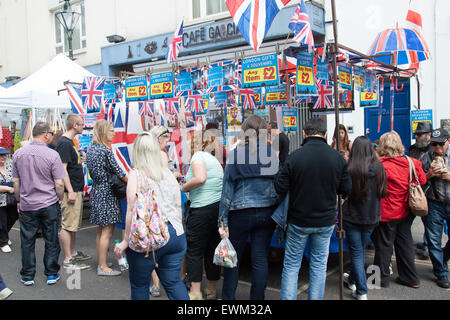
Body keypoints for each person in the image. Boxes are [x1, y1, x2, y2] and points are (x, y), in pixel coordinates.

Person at [275, 118, 352, 300]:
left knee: (292, 265)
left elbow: (280, 187)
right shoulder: (337, 158)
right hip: (325, 221)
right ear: (325, 135)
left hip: (298, 220)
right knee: (318, 266)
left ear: (304, 134)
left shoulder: (295, 157)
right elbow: (346, 189)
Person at [114, 132, 189, 300]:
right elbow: (179, 206)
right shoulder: (169, 174)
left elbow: (131, 210)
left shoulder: (136, 174)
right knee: (173, 282)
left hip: (149, 238)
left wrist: (126, 240)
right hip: (176, 234)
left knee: (140, 285)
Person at [218, 115, 279, 300]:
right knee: (260, 258)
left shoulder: (236, 155)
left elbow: (227, 191)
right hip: (266, 213)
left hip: (239, 214)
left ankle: (229, 299)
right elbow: (279, 187)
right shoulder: (271, 155)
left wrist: (222, 221)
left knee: (232, 259)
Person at [13, 122, 66, 286]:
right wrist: (59, 198)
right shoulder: (52, 155)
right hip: (48, 202)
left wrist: (18, 200)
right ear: (45, 134)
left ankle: (28, 275)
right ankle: (51, 273)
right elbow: (59, 183)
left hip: (28, 203)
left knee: (27, 240)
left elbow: (16, 181)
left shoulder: (18, 154)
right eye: (51, 133)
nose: (52, 136)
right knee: (51, 239)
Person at [372, 131, 426, 289]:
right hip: (406, 211)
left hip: (386, 212)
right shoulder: (412, 162)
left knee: (383, 246)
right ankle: (411, 278)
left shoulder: (380, 166)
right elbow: (422, 180)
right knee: (405, 243)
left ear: (382, 146)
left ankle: (380, 280)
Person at [342, 136, 387, 300]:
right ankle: (352, 279)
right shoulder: (379, 167)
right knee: (359, 250)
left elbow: (343, 192)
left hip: (353, 217)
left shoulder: (351, 169)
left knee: (357, 253)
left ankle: (361, 290)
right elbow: (384, 192)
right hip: (372, 217)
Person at [182, 130, 224, 300]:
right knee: (212, 251)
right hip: (217, 209)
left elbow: (200, 178)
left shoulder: (198, 156)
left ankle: (195, 293)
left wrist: (183, 187)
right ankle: (211, 292)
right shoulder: (214, 160)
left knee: (195, 252)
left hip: (201, 210)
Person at [86, 119, 127, 277]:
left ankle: (101, 262)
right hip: (107, 193)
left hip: (97, 191)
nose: (114, 133)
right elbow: (120, 173)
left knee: (100, 230)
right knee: (107, 231)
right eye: (111, 130)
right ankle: (102, 266)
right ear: (103, 132)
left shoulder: (91, 149)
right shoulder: (105, 151)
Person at [55, 115, 91, 271]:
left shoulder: (68, 143)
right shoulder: (64, 143)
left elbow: (69, 165)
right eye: (82, 124)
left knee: (73, 225)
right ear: (75, 125)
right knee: (67, 224)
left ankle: (73, 253)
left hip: (75, 189)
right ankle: (68, 258)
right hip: (70, 190)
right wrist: (69, 190)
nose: (84, 127)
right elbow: (62, 170)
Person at [419, 128, 450, 289]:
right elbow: (418, 179)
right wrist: (429, 174)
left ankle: (443, 257)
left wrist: (448, 176)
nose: (437, 148)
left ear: (448, 142)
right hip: (434, 203)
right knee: (433, 239)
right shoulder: (427, 157)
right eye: (433, 145)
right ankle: (441, 272)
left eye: (440, 145)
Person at [408, 121, 433, 260]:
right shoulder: (413, 149)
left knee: (428, 221)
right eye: (416, 134)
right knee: (408, 220)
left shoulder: (433, 149)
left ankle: (427, 245)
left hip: (429, 191)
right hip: (414, 190)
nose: (416, 137)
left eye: (420, 134)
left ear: (429, 135)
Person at [0, 147, 18, 253]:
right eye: (1, 155)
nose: (3, 157)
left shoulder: (10, 165)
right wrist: (7, 188)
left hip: (12, 197)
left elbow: (17, 179)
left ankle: (4, 235)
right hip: (1, 199)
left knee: (14, 216)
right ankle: (3, 242)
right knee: (2, 220)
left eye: (4, 155)